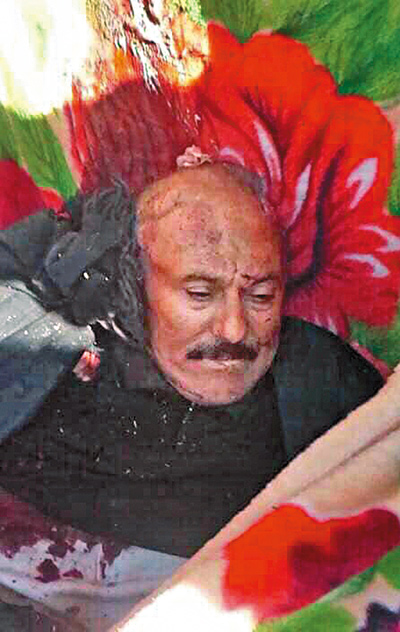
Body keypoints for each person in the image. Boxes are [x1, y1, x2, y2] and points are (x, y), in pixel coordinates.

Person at [0, 158, 385, 628]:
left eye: (261, 296)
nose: (234, 329)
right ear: (136, 285)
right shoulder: (46, 351)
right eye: (200, 294)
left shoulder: (319, 379)